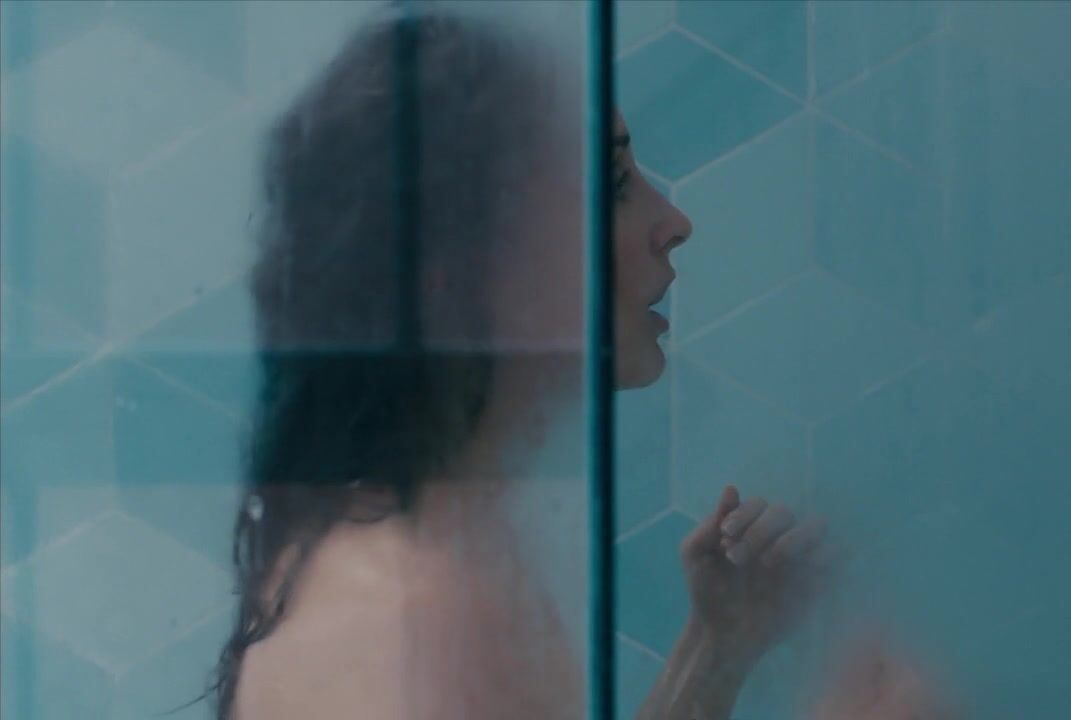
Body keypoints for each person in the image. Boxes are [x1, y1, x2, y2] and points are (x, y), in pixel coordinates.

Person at [201, 3, 870, 718]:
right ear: (454, 272)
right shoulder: (419, 615)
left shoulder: (430, 547)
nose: (673, 223)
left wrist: (716, 649)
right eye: (612, 186)